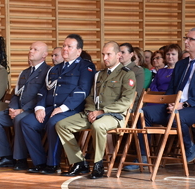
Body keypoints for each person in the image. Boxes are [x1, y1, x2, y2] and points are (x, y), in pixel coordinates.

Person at [56, 41, 136, 179]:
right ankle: (79, 162)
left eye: (108, 54)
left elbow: (126, 101)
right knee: (62, 125)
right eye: (103, 54)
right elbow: (91, 96)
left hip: (114, 116)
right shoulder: (99, 74)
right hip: (94, 113)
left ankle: (98, 165)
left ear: (118, 55)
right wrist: (90, 111)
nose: (104, 58)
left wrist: (102, 112)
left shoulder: (127, 74)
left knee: (98, 125)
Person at [124, 27, 195, 171]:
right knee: (142, 112)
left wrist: (183, 104)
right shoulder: (181, 64)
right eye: (186, 38)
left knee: (177, 116)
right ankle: (143, 157)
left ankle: (190, 147)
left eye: (191, 39)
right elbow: (171, 88)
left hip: (194, 106)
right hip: (175, 105)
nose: (186, 42)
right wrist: (170, 101)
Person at [21, 34, 96, 174]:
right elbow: (44, 90)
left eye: (69, 46)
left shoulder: (86, 67)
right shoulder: (55, 69)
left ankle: (53, 164)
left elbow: (82, 91)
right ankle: (40, 162)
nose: (65, 49)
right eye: (64, 46)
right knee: (27, 122)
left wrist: (62, 108)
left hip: (72, 109)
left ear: (78, 51)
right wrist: (39, 107)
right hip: (51, 108)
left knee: (53, 122)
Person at [0, 41, 51, 170]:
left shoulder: (48, 71)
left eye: (35, 49)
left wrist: (22, 110)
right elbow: (16, 94)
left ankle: (20, 159)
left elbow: (43, 95)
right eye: (30, 49)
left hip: (31, 111)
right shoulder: (25, 72)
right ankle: (5, 157)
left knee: (19, 119)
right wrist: (13, 108)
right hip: (17, 109)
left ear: (44, 55)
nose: (31, 51)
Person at [119, 43, 144, 108]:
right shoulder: (116, 69)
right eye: (119, 52)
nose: (120, 55)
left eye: (123, 52)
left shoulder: (138, 70)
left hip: (129, 106)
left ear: (131, 54)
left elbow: (137, 94)